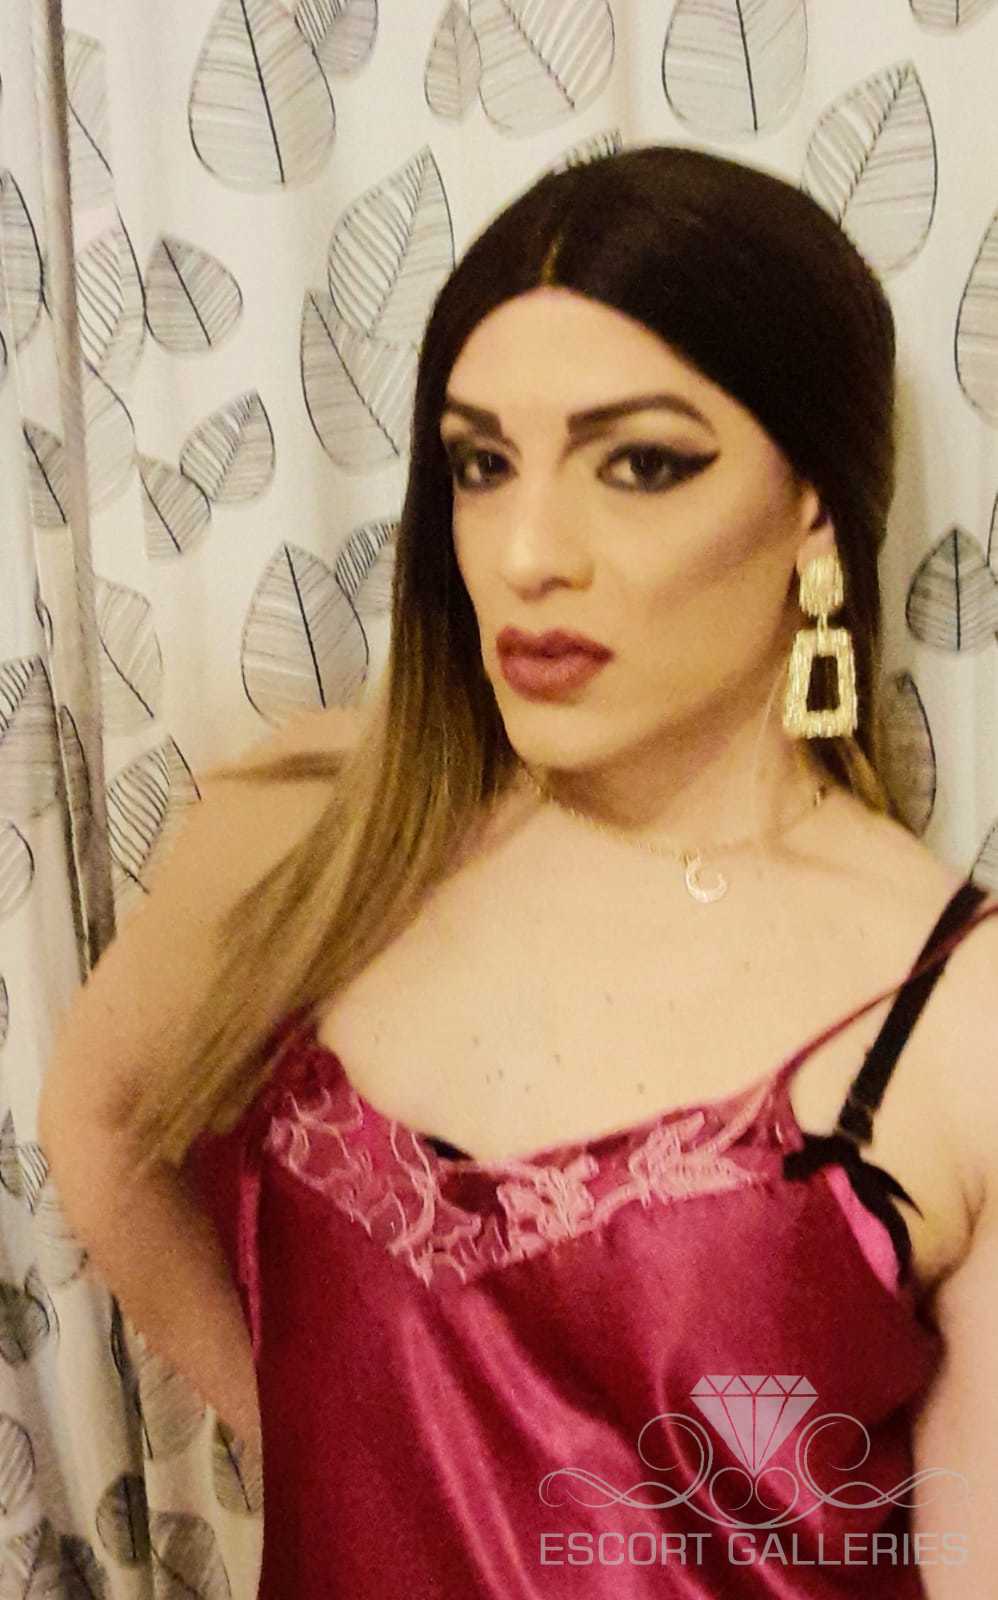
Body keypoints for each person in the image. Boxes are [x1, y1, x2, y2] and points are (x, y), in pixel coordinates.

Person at [40, 145, 998, 1598]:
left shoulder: (954, 1015)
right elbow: (102, 1123)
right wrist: (339, 1463)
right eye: (482, 464)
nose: (528, 551)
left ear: (814, 505)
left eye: (642, 464)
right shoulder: (318, 835)